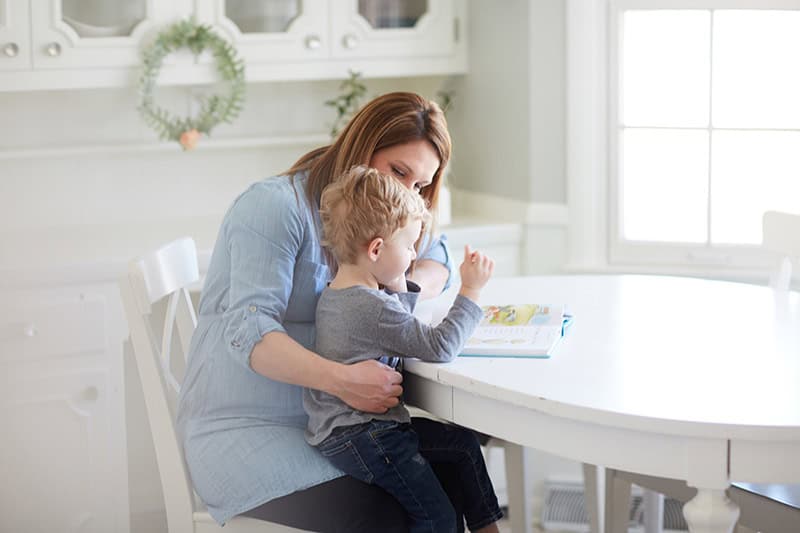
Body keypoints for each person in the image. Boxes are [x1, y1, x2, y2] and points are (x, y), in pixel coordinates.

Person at [176, 92, 488, 532]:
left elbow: (435, 250)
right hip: (246, 431)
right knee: (392, 515)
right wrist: (341, 379)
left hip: (334, 430)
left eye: (419, 186)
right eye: (398, 172)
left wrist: (406, 278)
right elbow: (249, 332)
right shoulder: (275, 207)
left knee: (444, 484)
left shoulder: (383, 220)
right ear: (362, 146)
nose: (404, 192)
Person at [306, 165, 501, 533]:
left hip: (354, 433)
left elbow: (394, 327)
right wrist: (470, 291)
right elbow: (440, 345)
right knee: (437, 517)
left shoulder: (343, 292)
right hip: (364, 437)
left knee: (462, 446)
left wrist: (395, 281)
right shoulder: (369, 307)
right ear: (377, 248)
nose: (414, 257)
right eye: (410, 245)